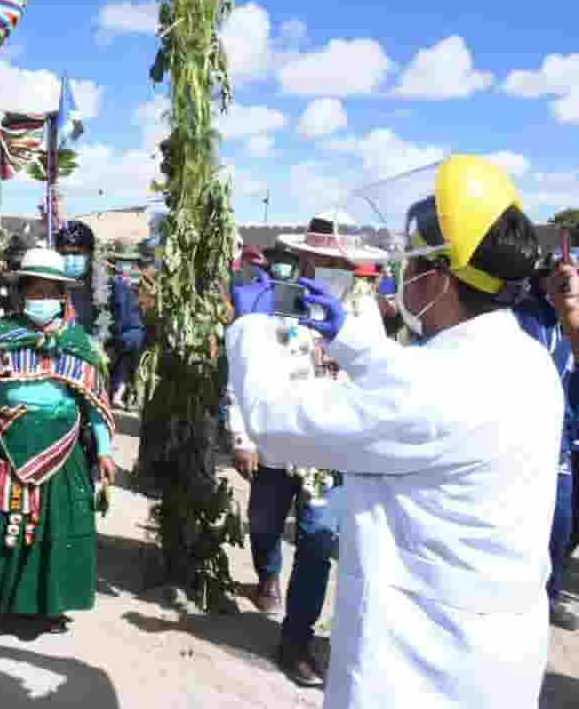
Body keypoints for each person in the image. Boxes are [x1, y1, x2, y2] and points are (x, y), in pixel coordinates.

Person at [228, 155, 561, 708]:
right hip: (490, 649)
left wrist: (250, 327)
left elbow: (277, 425)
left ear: (440, 277)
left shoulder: (438, 385)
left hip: (423, 666)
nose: (403, 275)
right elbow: (416, 390)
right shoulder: (522, 358)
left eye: (411, 264)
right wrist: (349, 339)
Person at [227, 210, 387, 688]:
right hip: (277, 442)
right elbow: (242, 371)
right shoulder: (273, 300)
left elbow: (376, 373)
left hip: (330, 453)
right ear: (304, 258)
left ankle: (295, 640)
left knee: (317, 541)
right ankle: (267, 575)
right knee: (263, 525)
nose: (330, 266)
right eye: (320, 257)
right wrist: (242, 434)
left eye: (339, 259)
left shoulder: (362, 310)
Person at [0, 248, 117, 633]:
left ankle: (47, 605)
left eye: (50, 292)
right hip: (1, 436)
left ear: (63, 297)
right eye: (34, 291)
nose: (42, 299)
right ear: (20, 294)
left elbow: (93, 399)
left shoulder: (78, 342)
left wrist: (103, 450)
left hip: (61, 444)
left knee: (51, 528)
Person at [514, 261, 578, 631]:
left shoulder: (570, 318)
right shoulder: (524, 317)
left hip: (562, 436)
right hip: (526, 433)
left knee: (562, 523)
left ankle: (548, 594)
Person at [55, 221, 111, 341]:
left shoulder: (110, 288)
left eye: (76, 253)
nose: (70, 259)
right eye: (64, 254)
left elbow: (131, 332)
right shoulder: (47, 287)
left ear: (90, 255)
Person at [108, 246, 146, 409]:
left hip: (124, 332)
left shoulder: (116, 282)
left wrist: (114, 332)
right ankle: (128, 396)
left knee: (123, 363)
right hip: (138, 331)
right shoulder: (141, 281)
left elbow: (118, 308)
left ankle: (118, 394)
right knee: (132, 365)